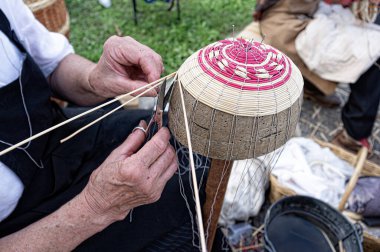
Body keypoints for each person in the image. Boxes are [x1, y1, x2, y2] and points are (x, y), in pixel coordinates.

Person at [0, 0, 205, 251]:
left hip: (56, 136)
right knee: (180, 231)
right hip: (29, 231)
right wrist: (95, 208)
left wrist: (93, 79)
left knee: (186, 143)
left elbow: (52, 65)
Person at [254, 0, 380, 153]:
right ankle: (352, 136)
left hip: (308, 12)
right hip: (288, 26)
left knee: (370, 25)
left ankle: (311, 87)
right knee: (374, 49)